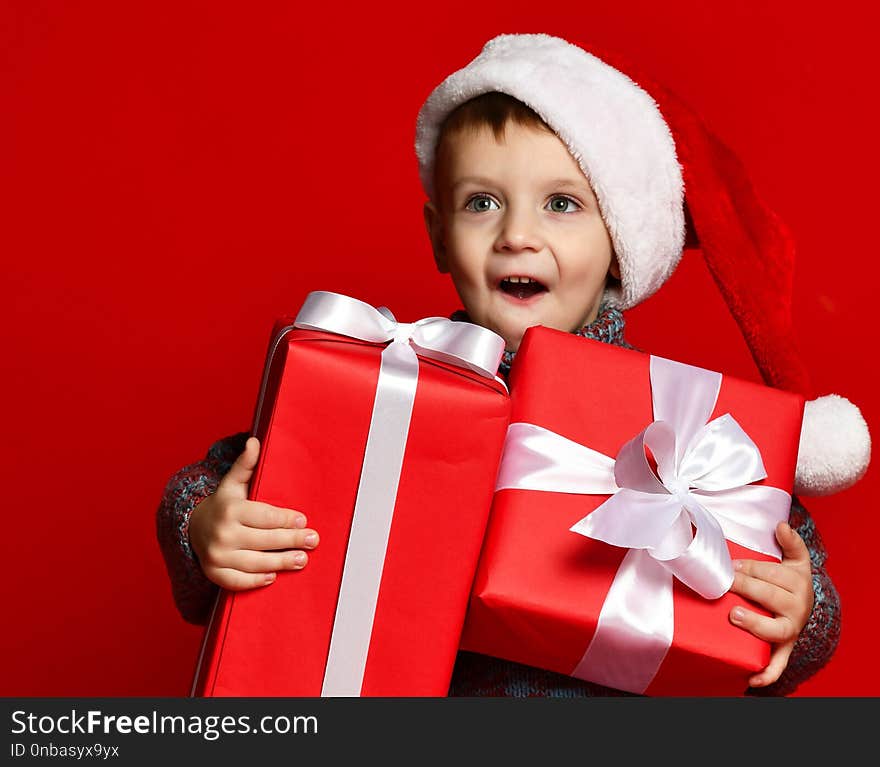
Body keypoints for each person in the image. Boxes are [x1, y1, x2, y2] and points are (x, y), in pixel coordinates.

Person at [158, 33, 870, 696]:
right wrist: (205, 527)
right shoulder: (394, 378)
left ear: (619, 242)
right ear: (439, 236)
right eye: (482, 203)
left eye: (561, 204)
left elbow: (793, 566)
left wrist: (799, 610)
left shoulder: (679, 418)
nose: (518, 236)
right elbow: (224, 475)